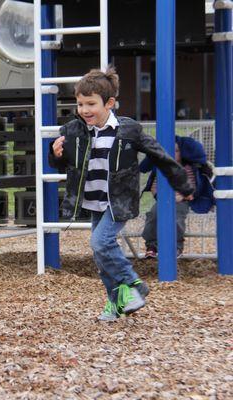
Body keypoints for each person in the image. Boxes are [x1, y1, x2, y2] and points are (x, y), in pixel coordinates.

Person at [48, 67, 194, 322]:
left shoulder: (128, 130)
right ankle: (116, 303)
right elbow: (65, 165)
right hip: (93, 201)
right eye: (80, 104)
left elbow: (159, 155)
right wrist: (56, 155)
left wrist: (182, 183)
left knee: (100, 243)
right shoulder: (73, 130)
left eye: (91, 104)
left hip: (118, 202)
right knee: (101, 255)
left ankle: (134, 284)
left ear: (110, 103)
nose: (84, 110)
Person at [141, 136, 214, 258]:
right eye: (169, 150)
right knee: (153, 215)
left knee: (177, 217)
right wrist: (159, 196)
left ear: (182, 153)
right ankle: (152, 245)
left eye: (176, 151)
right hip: (163, 200)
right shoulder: (161, 167)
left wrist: (184, 196)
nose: (172, 153)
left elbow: (192, 186)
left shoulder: (187, 168)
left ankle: (176, 246)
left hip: (182, 201)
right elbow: (154, 186)